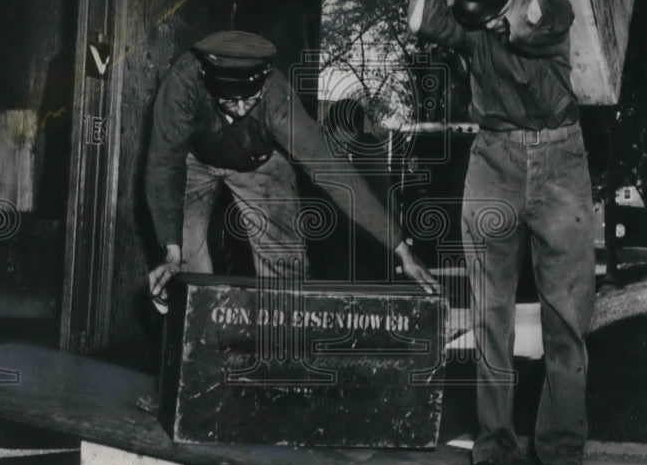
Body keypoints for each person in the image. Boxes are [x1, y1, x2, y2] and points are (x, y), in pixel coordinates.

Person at [407, 0, 597, 465]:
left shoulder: (551, 11)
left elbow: (528, 21)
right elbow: (420, 18)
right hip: (493, 162)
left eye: (494, 11)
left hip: (561, 164)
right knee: (490, 316)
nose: (487, 25)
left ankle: (562, 459)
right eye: (478, 16)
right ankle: (492, 449)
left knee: (566, 320)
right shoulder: (475, 24)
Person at [145, 29, 437, 303]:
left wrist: (400, 248)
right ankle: (196, 326)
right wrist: (171, 250)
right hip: (195, 162)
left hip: (258, 164)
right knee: (187, 270)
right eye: (231, 101)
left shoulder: (276, 95)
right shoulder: (183, 84)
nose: (242, 109)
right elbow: (164, 164)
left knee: (286, 274)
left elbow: (330, 168)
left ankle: (279, 330)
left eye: (251, 99)